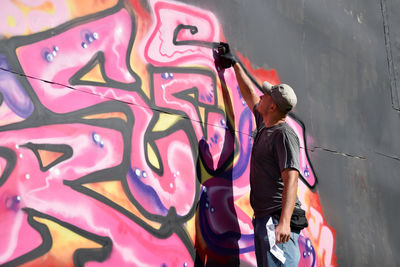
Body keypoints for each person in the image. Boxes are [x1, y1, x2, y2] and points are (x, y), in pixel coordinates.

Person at [216, 43, 302, 267]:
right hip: (266, 220)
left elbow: (291, 178)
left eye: (267, 95)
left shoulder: (283, 135)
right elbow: (250, 95)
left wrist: (283, 222)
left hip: (277, 222)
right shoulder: (266, 124)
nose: (262, 95)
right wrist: (234, 64)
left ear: (272, 106)